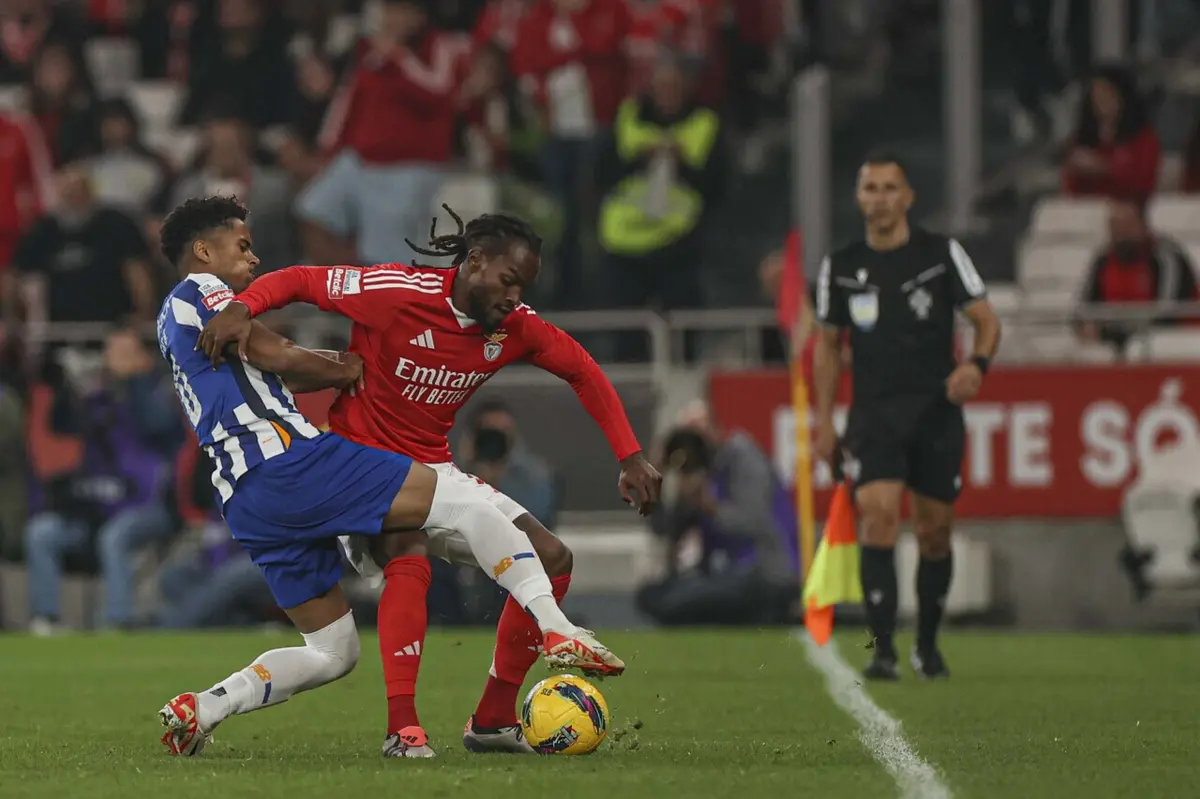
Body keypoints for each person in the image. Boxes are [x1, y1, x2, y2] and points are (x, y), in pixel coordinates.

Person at [154, 196, 625, 760]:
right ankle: (557, 628)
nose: (253, 258)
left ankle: (205, 707)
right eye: (243, 246)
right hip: (290, 462)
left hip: (245, 495)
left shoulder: (169, 319)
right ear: (204, 251)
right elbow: (271, 350)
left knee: (333, 651)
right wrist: (342, 364)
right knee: (466, 507)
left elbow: (271, 373)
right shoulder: (206, 292)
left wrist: (318, 365)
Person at [812, 151, 1001, 681]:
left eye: (889, 188)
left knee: (935, 530)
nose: (880, 199)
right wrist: (823, 422)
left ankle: (927, 645)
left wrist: (976, 366)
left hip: (936, 411)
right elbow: (827, 346)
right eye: (870, 188)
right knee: (878, 516)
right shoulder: (841, 266)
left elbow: (986, 321)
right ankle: (883, 651)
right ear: (858, 198)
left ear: (908, 197)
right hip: (874, 415)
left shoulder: (940, 254)